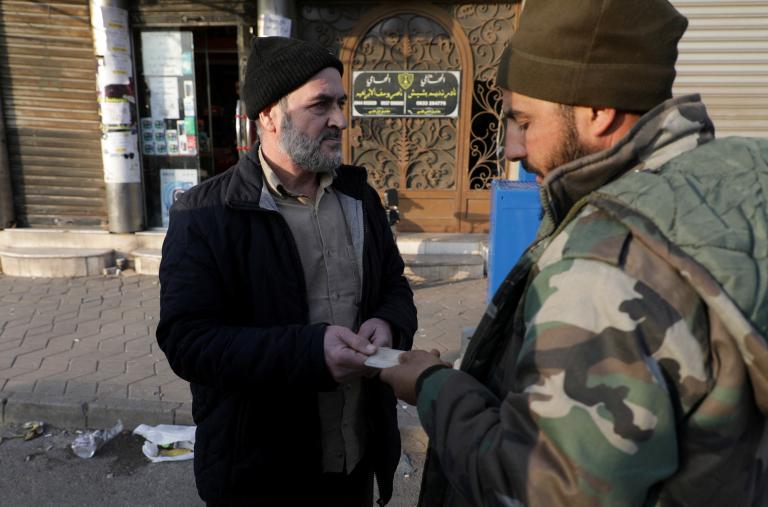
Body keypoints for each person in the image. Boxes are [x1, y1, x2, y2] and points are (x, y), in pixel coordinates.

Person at [381, 0, 768, 505]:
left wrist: (434, 387)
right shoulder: (741, 184)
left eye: (523, 121)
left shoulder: (606, 259)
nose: (512, 149)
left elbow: (547, 489)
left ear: (598, 112)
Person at [157, 36, 417, 506]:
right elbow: (187, 341)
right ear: (269, 116)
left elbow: (394, 286)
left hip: (355, 459)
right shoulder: (206, 214)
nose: (340, 120)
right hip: (262, 474)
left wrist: (388, 323)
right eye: (320, 105)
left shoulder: (359, 197)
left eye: (341, 104)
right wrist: (310, 353)